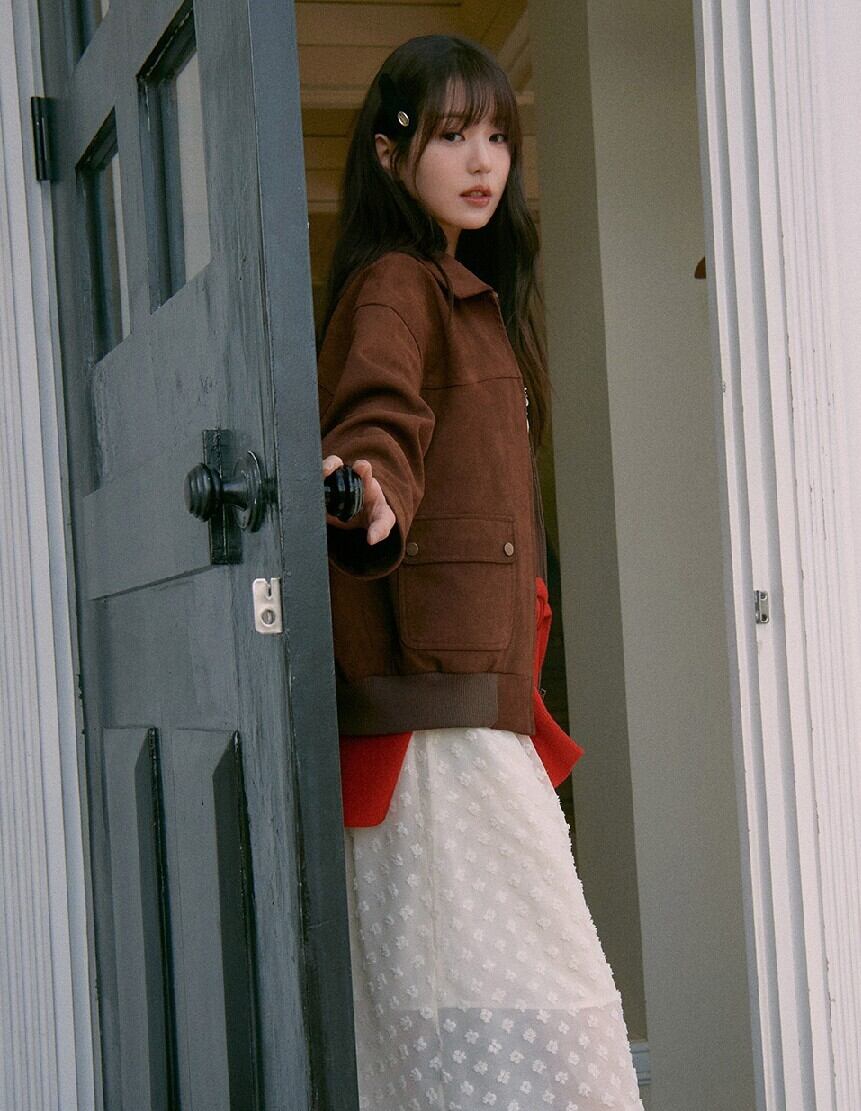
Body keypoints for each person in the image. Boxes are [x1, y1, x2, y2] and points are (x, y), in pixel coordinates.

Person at [317, 33, 645, 1111]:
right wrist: (367, 495)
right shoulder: (397, 285)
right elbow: (376, 424)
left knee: (474, 1021)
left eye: (496, 135)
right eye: (452, 134)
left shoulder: (468, 293)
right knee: (541, 1020)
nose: (482, 160)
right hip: (435, 724)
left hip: (473, 709)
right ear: (388, 153)